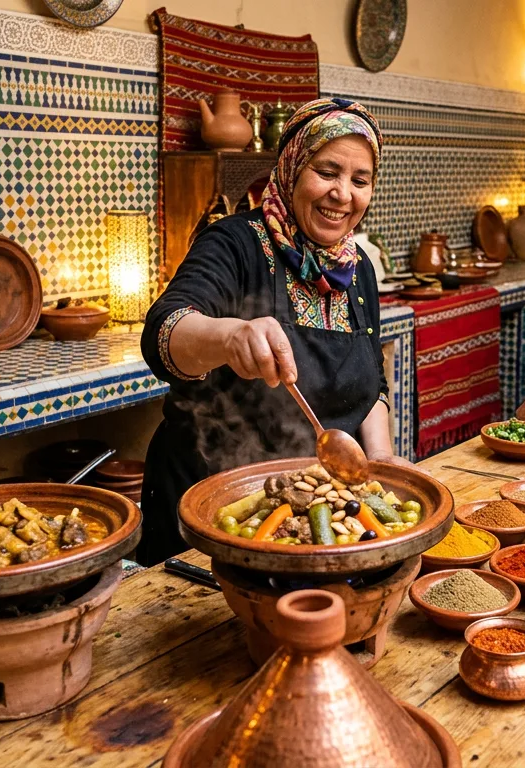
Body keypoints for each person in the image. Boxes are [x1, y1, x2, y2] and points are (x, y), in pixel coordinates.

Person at [140, 98, 401, 565]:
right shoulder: (235, 242)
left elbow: (373, 384)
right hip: (209, 507)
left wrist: (378, 459)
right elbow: (165, 330)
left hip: (318, 511)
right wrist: (228, 336)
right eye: (326, 172)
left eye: (360, 181)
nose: (343, 193)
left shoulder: (357, 267)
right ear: (292, 167)